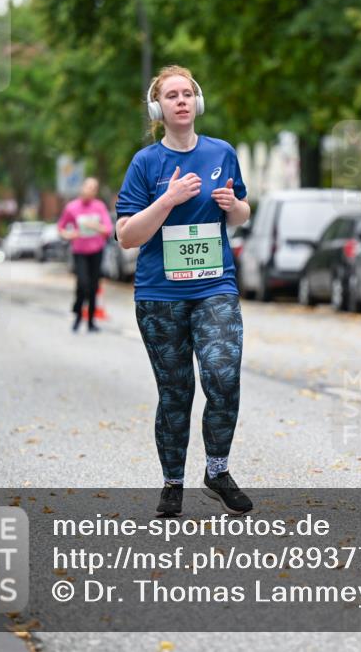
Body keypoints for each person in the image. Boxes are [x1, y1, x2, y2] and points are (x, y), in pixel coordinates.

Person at [115, 65, 252, 518]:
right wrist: (168, 199)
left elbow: (241, 214)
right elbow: (127, 236)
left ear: (198, 102)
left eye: (187, 93)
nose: (180, 101)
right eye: (171, 95)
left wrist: (235, 207)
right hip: (160, 295)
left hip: (215, 286)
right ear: (159, 108)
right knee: (176, 392)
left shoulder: (222, 152)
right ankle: (172, 482)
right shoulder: (146, 164)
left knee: (223, 375)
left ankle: (217, 470)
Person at [57, 177, 113, 332]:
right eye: (88, 187)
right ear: (82, 188)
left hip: (96, 251)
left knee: (94, 286)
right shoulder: (72, 207)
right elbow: (61, 228)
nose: (91, 190)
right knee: (83, 284)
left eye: (94, 188)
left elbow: (108, 229)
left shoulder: (99, 207)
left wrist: (95, 226)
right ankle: (77, 314)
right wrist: (70, 235)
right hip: (79, 252)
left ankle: (91, 322)